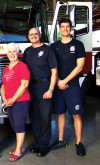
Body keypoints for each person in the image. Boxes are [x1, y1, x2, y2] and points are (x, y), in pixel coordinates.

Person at [50, 18, 86, 156]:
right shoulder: (54, 46)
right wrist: (59, 81)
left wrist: (64, 80)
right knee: (60, 113)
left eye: (67, 26)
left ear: (71, 28)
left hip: (73, 86)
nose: (65, 29)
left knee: (76, 114)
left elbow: (80, 66)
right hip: (59, 85)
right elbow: (52, 67)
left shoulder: (78, 45)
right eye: (63, 26)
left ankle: (78, 143)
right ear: (59, 29)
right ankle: (60, 140)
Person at [23, 27, 58, 157]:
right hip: (31, 88)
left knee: (45, 118)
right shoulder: (27, 51)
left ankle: (44, 146)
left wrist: (50, 89)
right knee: (35, 118)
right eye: (31, 34)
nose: (33, 36)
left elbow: (54, 71)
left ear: (40, 35)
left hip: (45, 87)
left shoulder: (48, 50)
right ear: (28, 36)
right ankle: (37, 144)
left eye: (36, 34)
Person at [1, 43, 30, 162]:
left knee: (19, 125)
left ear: (18, 53)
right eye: (10, 52)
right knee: (14, 125)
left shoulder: (22, 66)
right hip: (9, 102)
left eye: (14, 51)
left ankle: (18, 151)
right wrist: (4, 99)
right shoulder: (6, 69)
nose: (12, 54)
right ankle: (21, 147)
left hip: (21, 101)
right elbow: (3, 85)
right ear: (7, 54)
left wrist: (13, 99)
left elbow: (24, 85)